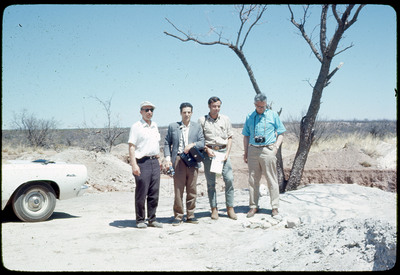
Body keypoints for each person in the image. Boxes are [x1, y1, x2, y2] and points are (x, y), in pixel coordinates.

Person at [242, 93, 286, 218]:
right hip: (253, 150)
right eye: (258, 106)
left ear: (266, 104)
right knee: (253, 179)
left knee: (271, 179)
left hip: (268, 150)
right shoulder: (250, 116)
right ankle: (253, 206)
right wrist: (245, 152)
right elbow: (246, 135)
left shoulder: (273, 115)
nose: (261, 109)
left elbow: (281, 133)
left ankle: (274, 207)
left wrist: (276, 147)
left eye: (263, 106)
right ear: (255, 104)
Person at [164, 102, 205, 226]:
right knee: (178, 189)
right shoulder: (173, 126)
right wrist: (167, 158)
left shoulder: (197, 127)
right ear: (180, 113)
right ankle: (178, 215)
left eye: (189, 112)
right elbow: (167, 143)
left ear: (191, 113)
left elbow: (202, 142)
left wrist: (192, 145)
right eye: (184, 112)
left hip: (192, 160)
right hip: (178, 160)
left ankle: (191, 215)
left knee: (192, 189)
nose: (186, 114)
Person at [198, 96, 237, 220]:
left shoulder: (225, 119)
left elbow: (230, 137)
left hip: (223, 152)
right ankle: (214, 208)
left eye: (218, 106)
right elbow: (199, 139)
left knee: (229, 179)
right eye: (214, 106)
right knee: (211, 183)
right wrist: (207, 149)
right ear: (209, 106)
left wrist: (227, 153)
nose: (216, 108)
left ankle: (230, 208)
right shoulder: (202, 120)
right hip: (209, 153)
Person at [128, 101, 163, 229]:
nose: (149, 112)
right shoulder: (136, 127)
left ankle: (152, 219)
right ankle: (140, 219)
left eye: (151, 110)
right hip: (142, 162)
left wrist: (158, 160)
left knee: (154, 192)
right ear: (141, 111)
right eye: (146, 110)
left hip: (154, 161)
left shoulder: (155, 126)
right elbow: (132, 146)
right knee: (141, 192)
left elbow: (155, 145)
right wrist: (134, 165)